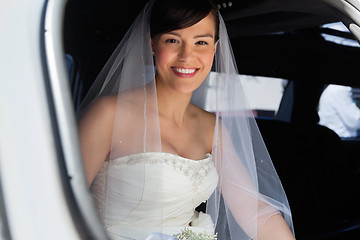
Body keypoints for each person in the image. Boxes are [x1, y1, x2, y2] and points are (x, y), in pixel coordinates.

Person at [77, 0, 295, 239]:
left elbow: (254, 210)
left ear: (214, 48)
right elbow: (58, 198)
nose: (187, 55)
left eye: (201, 42)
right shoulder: (108, 114)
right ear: (152, 43)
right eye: (173, 40)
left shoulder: (212, 128)